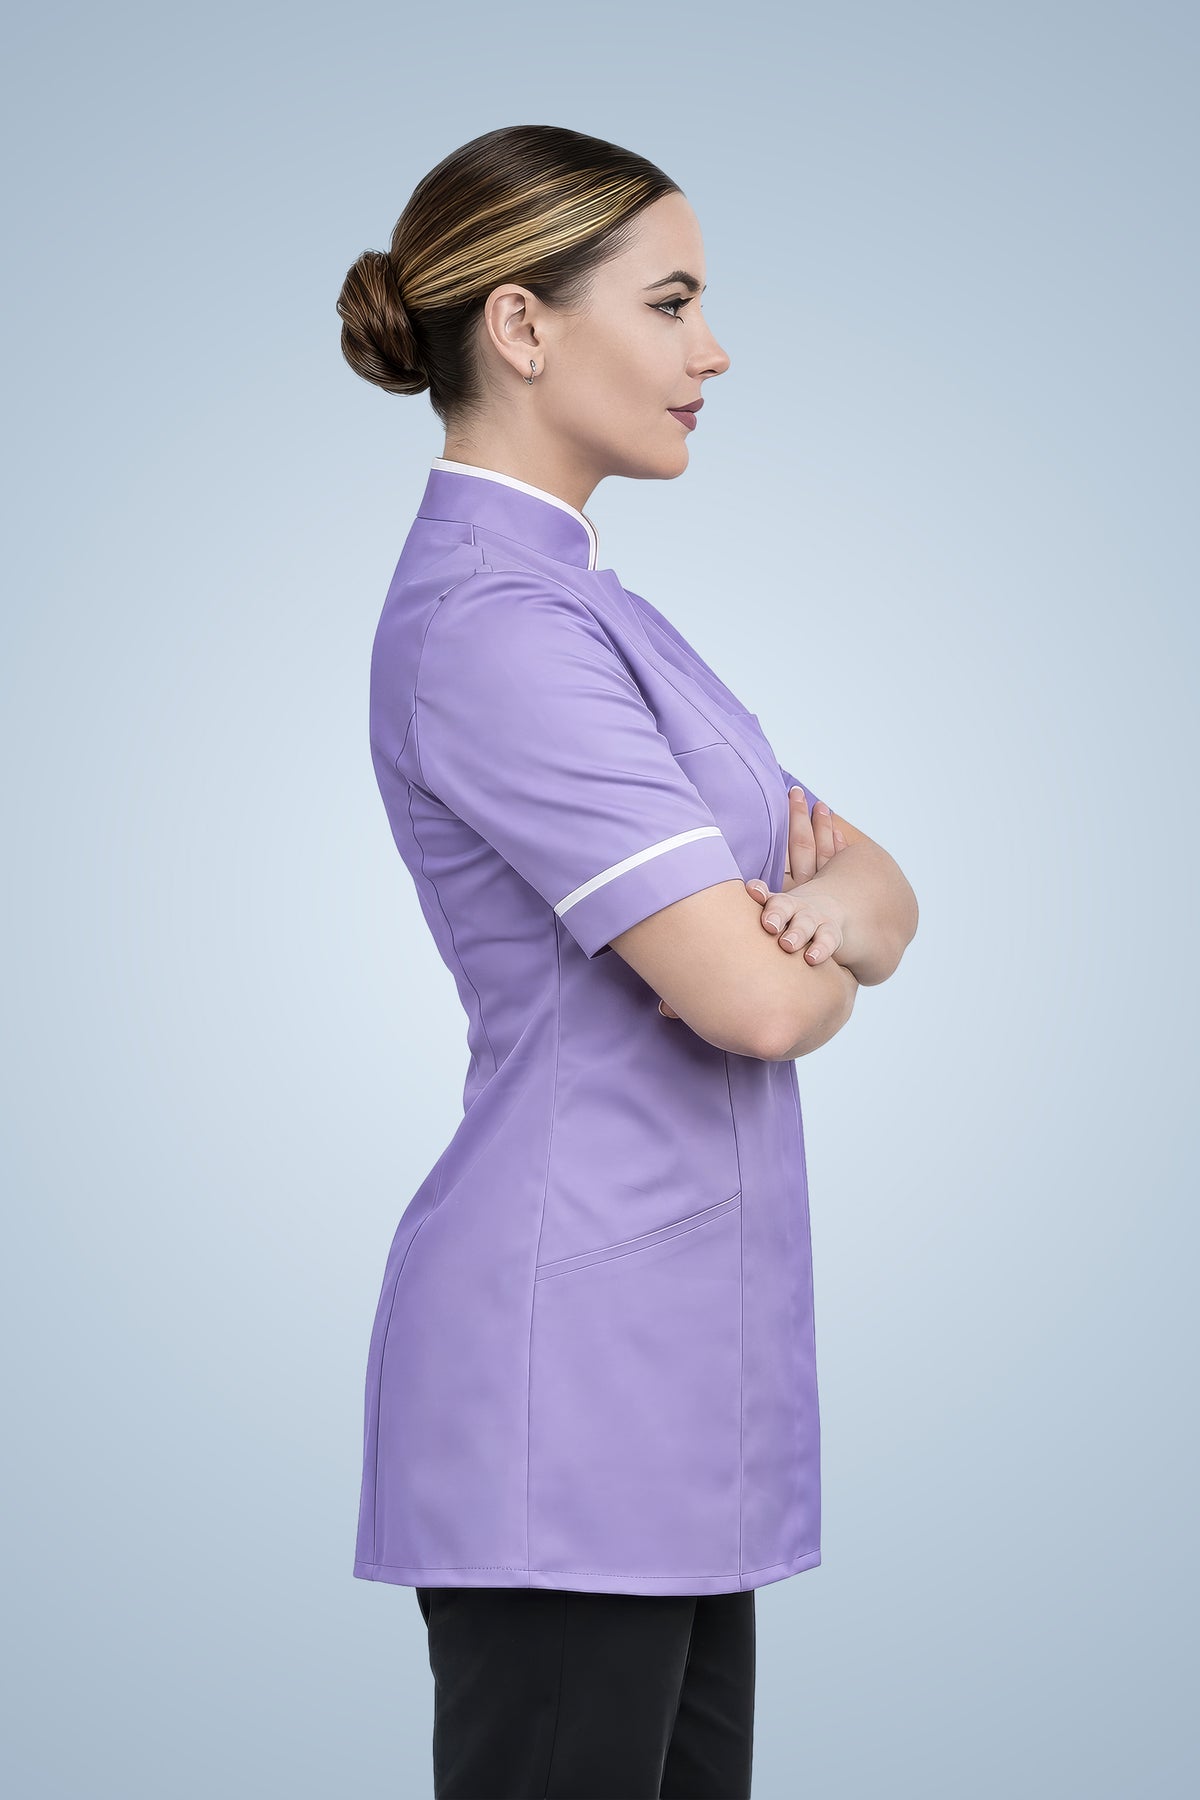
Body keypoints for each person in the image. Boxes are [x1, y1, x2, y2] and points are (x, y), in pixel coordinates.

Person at [336, 123, 918, 1800]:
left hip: (675, 1385)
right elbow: (757, 996)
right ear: (522, 327)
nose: (711, 351)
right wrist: (820, 947)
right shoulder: (497, 630)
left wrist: (842, 920)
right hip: (566, 1386)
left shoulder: (597, 608)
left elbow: (874, 882)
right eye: (670, 304)